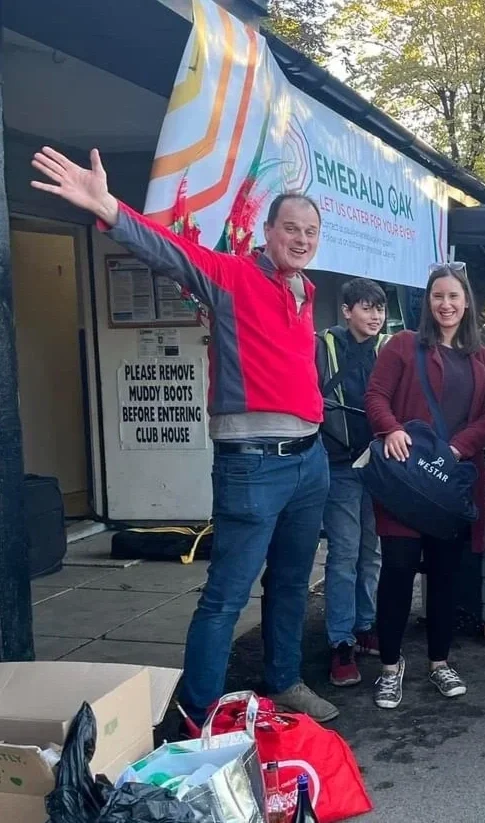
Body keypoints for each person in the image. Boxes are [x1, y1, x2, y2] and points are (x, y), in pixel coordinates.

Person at [31, 148, 337, 724]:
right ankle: (198, 711)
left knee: (293, 583)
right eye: (290, 229)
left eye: (310, 232)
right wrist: (108, 206)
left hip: (309, 462)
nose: (300, 239)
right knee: (226, 596)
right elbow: (169, 251)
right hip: (252, 466)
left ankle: (285, 682)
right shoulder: (231, 276)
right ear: (266, 232)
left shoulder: (305, 291)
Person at [365, 263, 485, 709]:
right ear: (428, 301)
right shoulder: (404, 346)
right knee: (398, 573)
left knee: (445, 578)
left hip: (452, 485)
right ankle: (390, 668)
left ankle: (440, 662)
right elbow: (375, 396)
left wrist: (459, 448)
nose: (446, 304)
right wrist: (390, 429)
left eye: (454, 296)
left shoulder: (483, 358)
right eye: (438, 296)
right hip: (406, 481)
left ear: (467, 303)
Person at [316, 278, 391, 687]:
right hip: (339, 463)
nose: (375, 315)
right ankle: (340, 642)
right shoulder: (322, 346)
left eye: (379, 308)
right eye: (365, 307)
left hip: (378, 467)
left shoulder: (387, 350)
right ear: (346, 311)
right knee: (344, 554)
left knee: (372, 550)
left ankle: (366, 626)